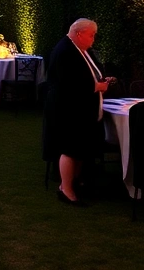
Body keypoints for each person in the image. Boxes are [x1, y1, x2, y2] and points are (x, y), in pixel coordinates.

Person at [43, 18, 115, 206]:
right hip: (68, 110)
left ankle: (76, 182)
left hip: (80, 110)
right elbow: (69, 83)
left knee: (79, 148)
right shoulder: (65, 51)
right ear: (79, 34)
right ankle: (66, 189)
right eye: (91, 35)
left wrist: (100, 80)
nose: (93, 39)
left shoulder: (79, 49)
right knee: (70, 148)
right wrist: (97, 86)